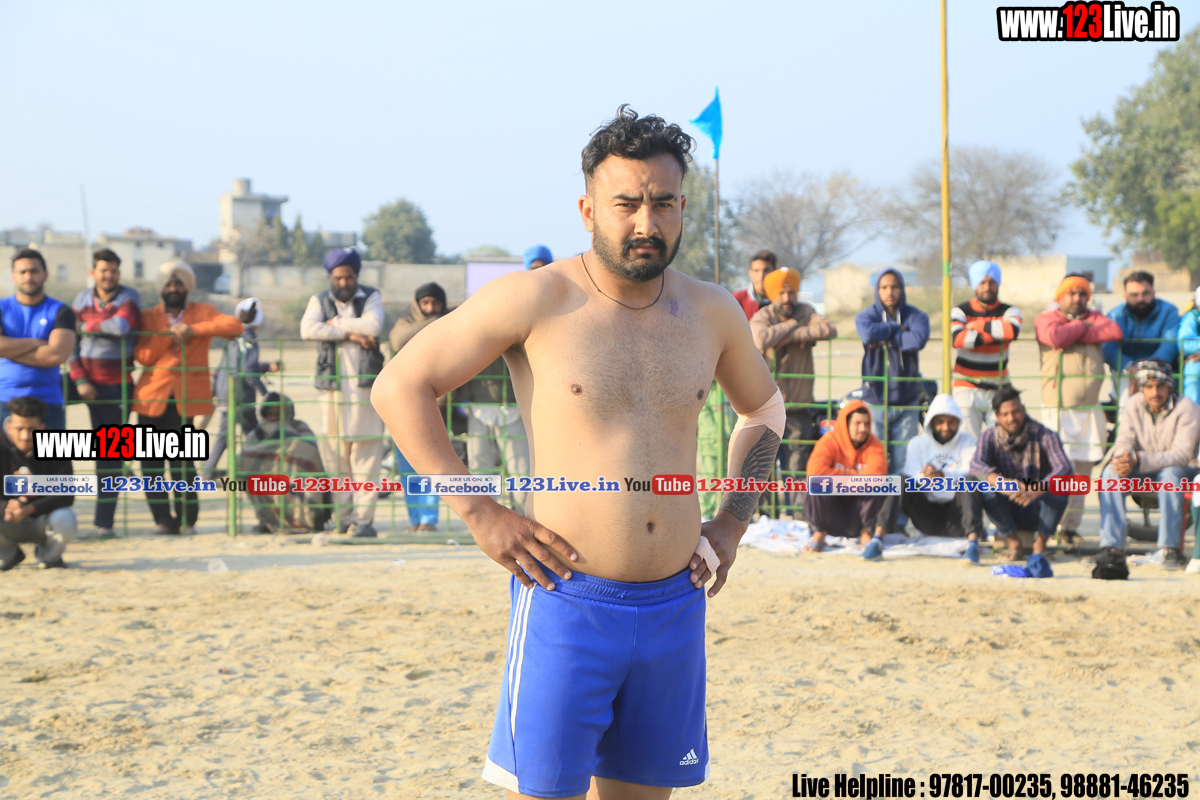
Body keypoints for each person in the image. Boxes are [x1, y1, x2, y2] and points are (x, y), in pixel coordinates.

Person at [371, 105, 782, 799]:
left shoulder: (712, 310)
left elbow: (764, 409)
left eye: (663, 203)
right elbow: (400, 386)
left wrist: (731, 524)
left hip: (676, 604)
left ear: (683, 207)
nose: (646, 223)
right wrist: (479, 512)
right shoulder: (537, 298)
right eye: (626, 204)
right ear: (588, 209)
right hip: (566, 601)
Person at [133, 261, 243, 535]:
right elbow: (143, 356)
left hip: (186, 398)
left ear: (187, 287)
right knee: (150, 464)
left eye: (178, 283)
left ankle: (187, 520)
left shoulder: (202, 311)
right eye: (169, 284)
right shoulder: (148, 316)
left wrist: (192, 329)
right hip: (151, 397)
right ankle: (162, 520)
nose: (173, 288)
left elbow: (234, 326)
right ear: (161, 289)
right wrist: (168, 335)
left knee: (182, 463)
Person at [300, 247, 386, 537]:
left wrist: (334, 323)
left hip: (365, 391)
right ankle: (343, 518)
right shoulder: (319, 300)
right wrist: (350, 334)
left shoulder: (370, 297)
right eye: (338, 278)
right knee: (336, 456)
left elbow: (373, 325)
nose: (344, 282)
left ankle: (364, 521)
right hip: (332, 391)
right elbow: (308, 329)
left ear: (356, 276)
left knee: (366, 457)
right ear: (330, 277)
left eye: (348, 277)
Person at [1035, 274, 1123, 545]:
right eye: (1071, 293)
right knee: (1058, 471)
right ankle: (1048, 528)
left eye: (1082, 293)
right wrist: (1084, 326)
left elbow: (1113, 332)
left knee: (1082, 474)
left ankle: (1069, 530)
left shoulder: (1096, 317)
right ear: (1060, 297)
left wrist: (1077, 328)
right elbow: (1055, 337)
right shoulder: (1046, 318)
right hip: (1058, 410)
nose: (1077, 298)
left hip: (1090, 410)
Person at [750, 265, 837, 512]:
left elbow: (829, 329)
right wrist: (790, 327)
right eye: (781, 293)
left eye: (791, 293)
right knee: (763, 465)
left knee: (797, 464)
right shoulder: (763, 315)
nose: (787, 298)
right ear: (773, 295)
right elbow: (760, 338)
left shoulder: (806, 311)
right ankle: (766, 516)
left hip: (798, 406)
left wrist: (792, 334)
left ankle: (797, 514)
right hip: (767, 407)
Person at [67, 248, 141, 537]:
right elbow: (70, 341)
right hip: (83, 379)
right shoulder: (81, 298)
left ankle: (104, 524)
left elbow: (120, 326)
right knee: (37, 406)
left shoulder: (129, 297)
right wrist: (80, 380)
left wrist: (86, 326)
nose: (109, 275)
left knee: (110, 455)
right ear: (93, 272)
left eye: (113, 270)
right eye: (103, 270)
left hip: (115, 385)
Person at [1098, 360, 1199, 570]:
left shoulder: (1187, 407)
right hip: (1143, 467)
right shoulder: (1133, 404)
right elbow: (1124, 439)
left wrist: (1137, 459)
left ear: (1169, 386)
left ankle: (1170, 549)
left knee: (1171, 476)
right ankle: (1112, 547)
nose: (1155, 392)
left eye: (1160, 386)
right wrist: (1123, 458)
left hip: (1181, 470)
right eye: (1149, 386)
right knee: (1110, 473)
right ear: (1141, 388)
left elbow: (1181, 455)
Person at [971, 386, 1071, 560]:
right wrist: (1001, 482)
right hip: (1007, 505)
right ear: (997, 416)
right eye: (1005, 414)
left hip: (1038, 507)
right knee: (985, 487)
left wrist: (1038, 488)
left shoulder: (1045, 434)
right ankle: (1013, 542)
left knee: (1061, 485)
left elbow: (1064, 467)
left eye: (1015, 411)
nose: (1012, 418)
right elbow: (976, 465)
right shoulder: (989, 436)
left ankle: (1041, 543)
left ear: (1023, 409)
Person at [881, 393, 985, 561]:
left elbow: (971, 473)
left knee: (969, 481)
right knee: (900, 481)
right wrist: (926, 477)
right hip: (926, 517)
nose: (946, 427)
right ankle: (877, 539)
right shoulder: (918, 443)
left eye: (951, 421)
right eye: (940, 421)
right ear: (931, 422)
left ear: (958, 422)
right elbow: (911, 475)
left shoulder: (969, 443)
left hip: (959, 517)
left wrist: (943, 475)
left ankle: (973, 544)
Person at [388, 282, 454, 532]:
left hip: (436, 403)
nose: (430, 308)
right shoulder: (405, 320)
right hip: (402, 403)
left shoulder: (452, 320)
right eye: (425, 303)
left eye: (435, 303)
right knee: (407, 464)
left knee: (431, 462)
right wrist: (438, 322)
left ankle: (428, 519)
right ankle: (415, 519)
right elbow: (398, 340)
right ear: (417, 304)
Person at [855, 268, 929, 481]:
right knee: (875, 464)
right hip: (875, 400)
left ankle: (899, 505)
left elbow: (917, 340)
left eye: (895, 287)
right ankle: (877, 503)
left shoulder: (915, 315)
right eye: (884, 287)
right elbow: (867, 332)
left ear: (902, 289)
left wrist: (884, 333)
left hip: (907, 401)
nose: (890, 292)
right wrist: (896, 328)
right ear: (877, 290)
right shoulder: (867, 315)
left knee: (903, 465)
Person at [202, 297, 279, 480]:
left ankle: (211, 472)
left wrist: (215, 391)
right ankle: (258, 471)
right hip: (240, 394)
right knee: (251, 433)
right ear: (258, 319)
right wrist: (265, 393)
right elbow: (248, 369)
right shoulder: (250, 338)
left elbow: (227, 365)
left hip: (224, 390)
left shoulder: (232, 336)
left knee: (232, 433)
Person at [0, 248, 77, 431]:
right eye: (22, 272)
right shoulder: (2, 308)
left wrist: (7, 349)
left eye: (34, 271)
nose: (28, 276)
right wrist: (35, 342)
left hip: (48, 401)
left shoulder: (61, 311)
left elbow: (56, 356)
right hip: (4, 399)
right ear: (13, 276)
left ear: (45, 275)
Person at [802, 400, 889, 555]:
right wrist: (855, 476)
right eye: (857, 423)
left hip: (860, 515)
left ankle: (866, 532)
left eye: (866, 424)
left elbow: (877, 474)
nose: (863, 429)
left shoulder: (875, 445)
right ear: (845, 424)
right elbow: (815, 472)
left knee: (882, 484)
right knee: (814, 483)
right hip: (831, 513)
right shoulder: (828, 442)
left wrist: (838, 478)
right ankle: (819, 532)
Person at [239, 392, 331, 534]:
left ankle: (308, 520)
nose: (274, 418)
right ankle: (269, 520)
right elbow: (246, 459)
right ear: (263, 415)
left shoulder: (301, 429)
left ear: (288, 413)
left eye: (279, 414)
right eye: (270, 414)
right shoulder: (256, 435)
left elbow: (310, 454)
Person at [0, 396, 75, 570]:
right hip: (6, 519)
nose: (25, 436)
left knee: (66, 518)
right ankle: (8, 555)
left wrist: (29, 508)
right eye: (19, 429)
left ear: (42, 428)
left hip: (44, 520)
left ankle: (49, 557)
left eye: (31, 429)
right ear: (9, 427)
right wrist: (6, 506)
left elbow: (67, 495)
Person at [949, 260, 1022, 439]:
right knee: (967, 441)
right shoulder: (960, 311)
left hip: (999, 387)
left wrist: (977, 326)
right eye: (982, 282)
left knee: (1002, 440)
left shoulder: (1010, 311)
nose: (987, 287)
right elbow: (958, 339)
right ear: (975, 284)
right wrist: (995, 334)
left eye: (992, 282)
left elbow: (1011, 331)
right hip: (966, 386)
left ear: (998, 284)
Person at [1103, 271, 1180, 408]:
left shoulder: (1168, 311)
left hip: (1161, 369)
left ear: (1153, 293)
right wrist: (1129, 367)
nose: (1141, 299)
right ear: (1125, 296)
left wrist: (1146, 370)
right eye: (1134, 295)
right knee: (1126, 387)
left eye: (1145, 293)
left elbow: (1169, 344)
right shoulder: (1115, 315)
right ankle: (1125, 419)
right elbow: (1108, 348)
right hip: (1126, 371)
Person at [732, 250, 777, 321]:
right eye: (756, 271)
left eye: (766, 270)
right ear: (751, 273)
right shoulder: (736, 300)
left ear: (775, 272)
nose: (761, 275)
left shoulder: (786, 299)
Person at [1177, 286, 1200, 405]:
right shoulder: (1192, 317)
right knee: (1193, 368)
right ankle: (1193, 412)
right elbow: (1185, 344)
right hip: (1196, 361)